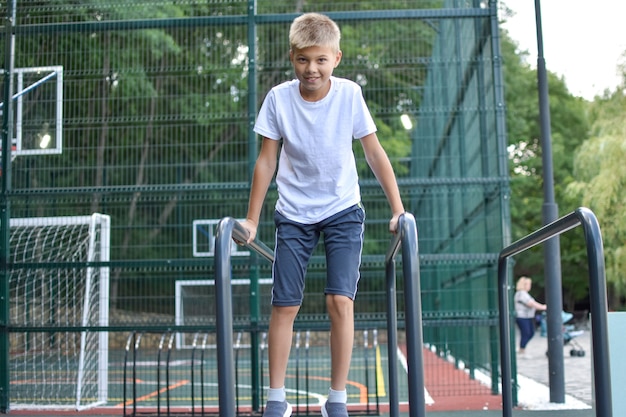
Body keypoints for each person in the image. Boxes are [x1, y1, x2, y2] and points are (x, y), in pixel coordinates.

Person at [239, 12, 405, 417]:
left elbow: (373, 153)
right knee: (285, 304)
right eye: (302, 60)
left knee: (338, 302)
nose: (311, 69)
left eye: (320, 60)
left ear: (336, 58)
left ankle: (337, 399)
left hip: (342, 208)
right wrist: (251, 220)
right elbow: (266, 161)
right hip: (293, 212)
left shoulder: (349, 95)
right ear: (291, 57)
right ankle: (276, 399)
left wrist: (399, 210)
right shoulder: (279, 98)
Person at [514, 276, 547, 358]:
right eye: (528, 284)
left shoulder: (525, 294)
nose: (530, 286)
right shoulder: (521, 294)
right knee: (526, 333)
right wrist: (543, 307)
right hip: (522, 316)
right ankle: (522, 350)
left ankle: (522, 348)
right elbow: (531, 303)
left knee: (530, 332)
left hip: (528, 316)